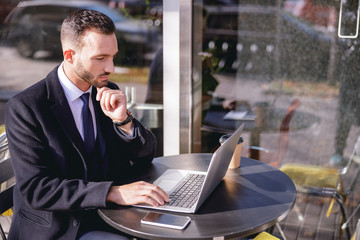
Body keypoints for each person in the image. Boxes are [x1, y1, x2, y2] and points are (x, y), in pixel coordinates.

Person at [5, 9, 169, 240]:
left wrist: (123, 121)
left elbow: (146, 154)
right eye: (100, 58)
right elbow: (37, 189)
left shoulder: (106, 91)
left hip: (109, 216)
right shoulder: (27, 107)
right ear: (70, 55)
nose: (110, 67)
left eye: (113, 56)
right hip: (59, 229)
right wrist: (111, 193)